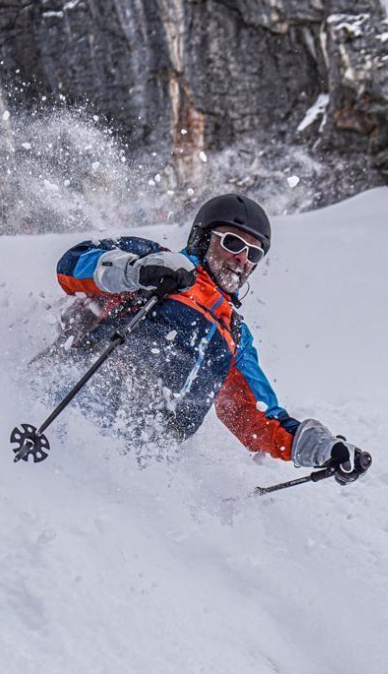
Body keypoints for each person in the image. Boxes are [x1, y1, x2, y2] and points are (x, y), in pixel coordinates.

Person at [50, 193, 369, 484]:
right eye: (232, 243)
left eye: (254, 253)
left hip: (131, 465)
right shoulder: (159, 265)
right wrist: (135, 271)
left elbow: (257, 418)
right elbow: (72, 265)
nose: (242, 259)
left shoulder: (234, 336)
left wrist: (321, 449)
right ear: (203, 238)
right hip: (63, 409)